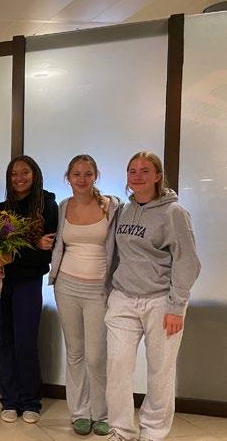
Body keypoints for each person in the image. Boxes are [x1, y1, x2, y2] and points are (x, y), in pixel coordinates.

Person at [106, 152, 200, 441]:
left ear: (158, 176)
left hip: (161, 301)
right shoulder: (123, 210)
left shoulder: (174, 213)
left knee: (160, 370)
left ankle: (153, 432)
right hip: (123, 298)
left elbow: (187, 261)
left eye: (145, 170)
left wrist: (177, 306)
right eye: (132, 170)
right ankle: (121, 429)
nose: (137, 176)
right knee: (117, 366)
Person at [48, 154, 120, 436]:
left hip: (98, 290)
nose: (82, 179)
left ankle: (101, 413)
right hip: (66, 287)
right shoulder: (63, 206)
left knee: (96, 356)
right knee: (75, 352)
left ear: (95, 176)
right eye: (76, 174)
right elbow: (57, 243)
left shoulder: (111, 206)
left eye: (87, 174)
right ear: (68, 177)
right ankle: (79, 412)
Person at [0, 155, 58, 424]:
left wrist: (13, 256)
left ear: (34, 174)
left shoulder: (47, 206)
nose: (19, 178)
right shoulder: (0, 209)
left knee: (25, 343)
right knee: (5, 341)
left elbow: (46, 255)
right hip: (3, 283)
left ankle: (30, 401)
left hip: (28, 283)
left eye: (24, 172)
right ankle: (9, 400)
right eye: (14, 174)